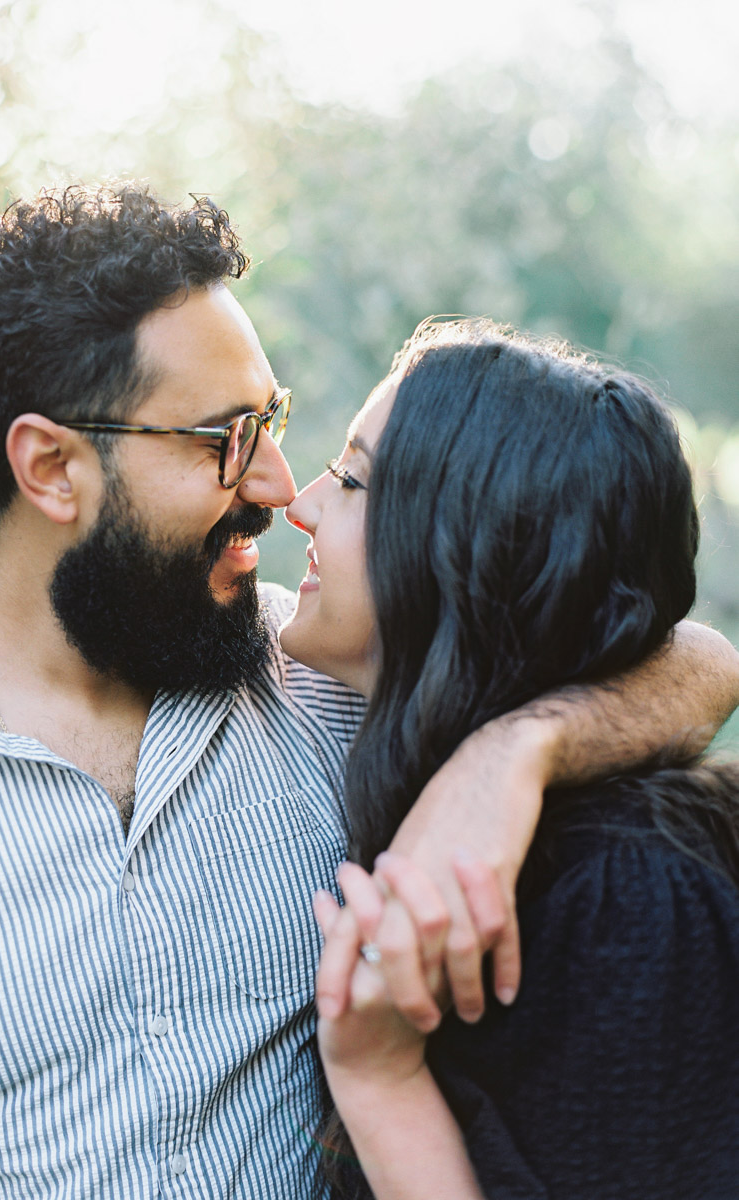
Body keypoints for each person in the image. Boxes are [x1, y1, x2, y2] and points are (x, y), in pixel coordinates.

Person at [0, 188, 736, 1200]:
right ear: (52, 467)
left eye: (273, 421)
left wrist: (513, 755)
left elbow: (684, 658)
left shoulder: (328, 673)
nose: (275, 483)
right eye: (225, 439)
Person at [280, 317, 739, 1199]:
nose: (300, 502)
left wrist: (380, 1079)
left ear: (464, 551)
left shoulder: (630, 899)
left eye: (351, 478)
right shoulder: (330, 710)